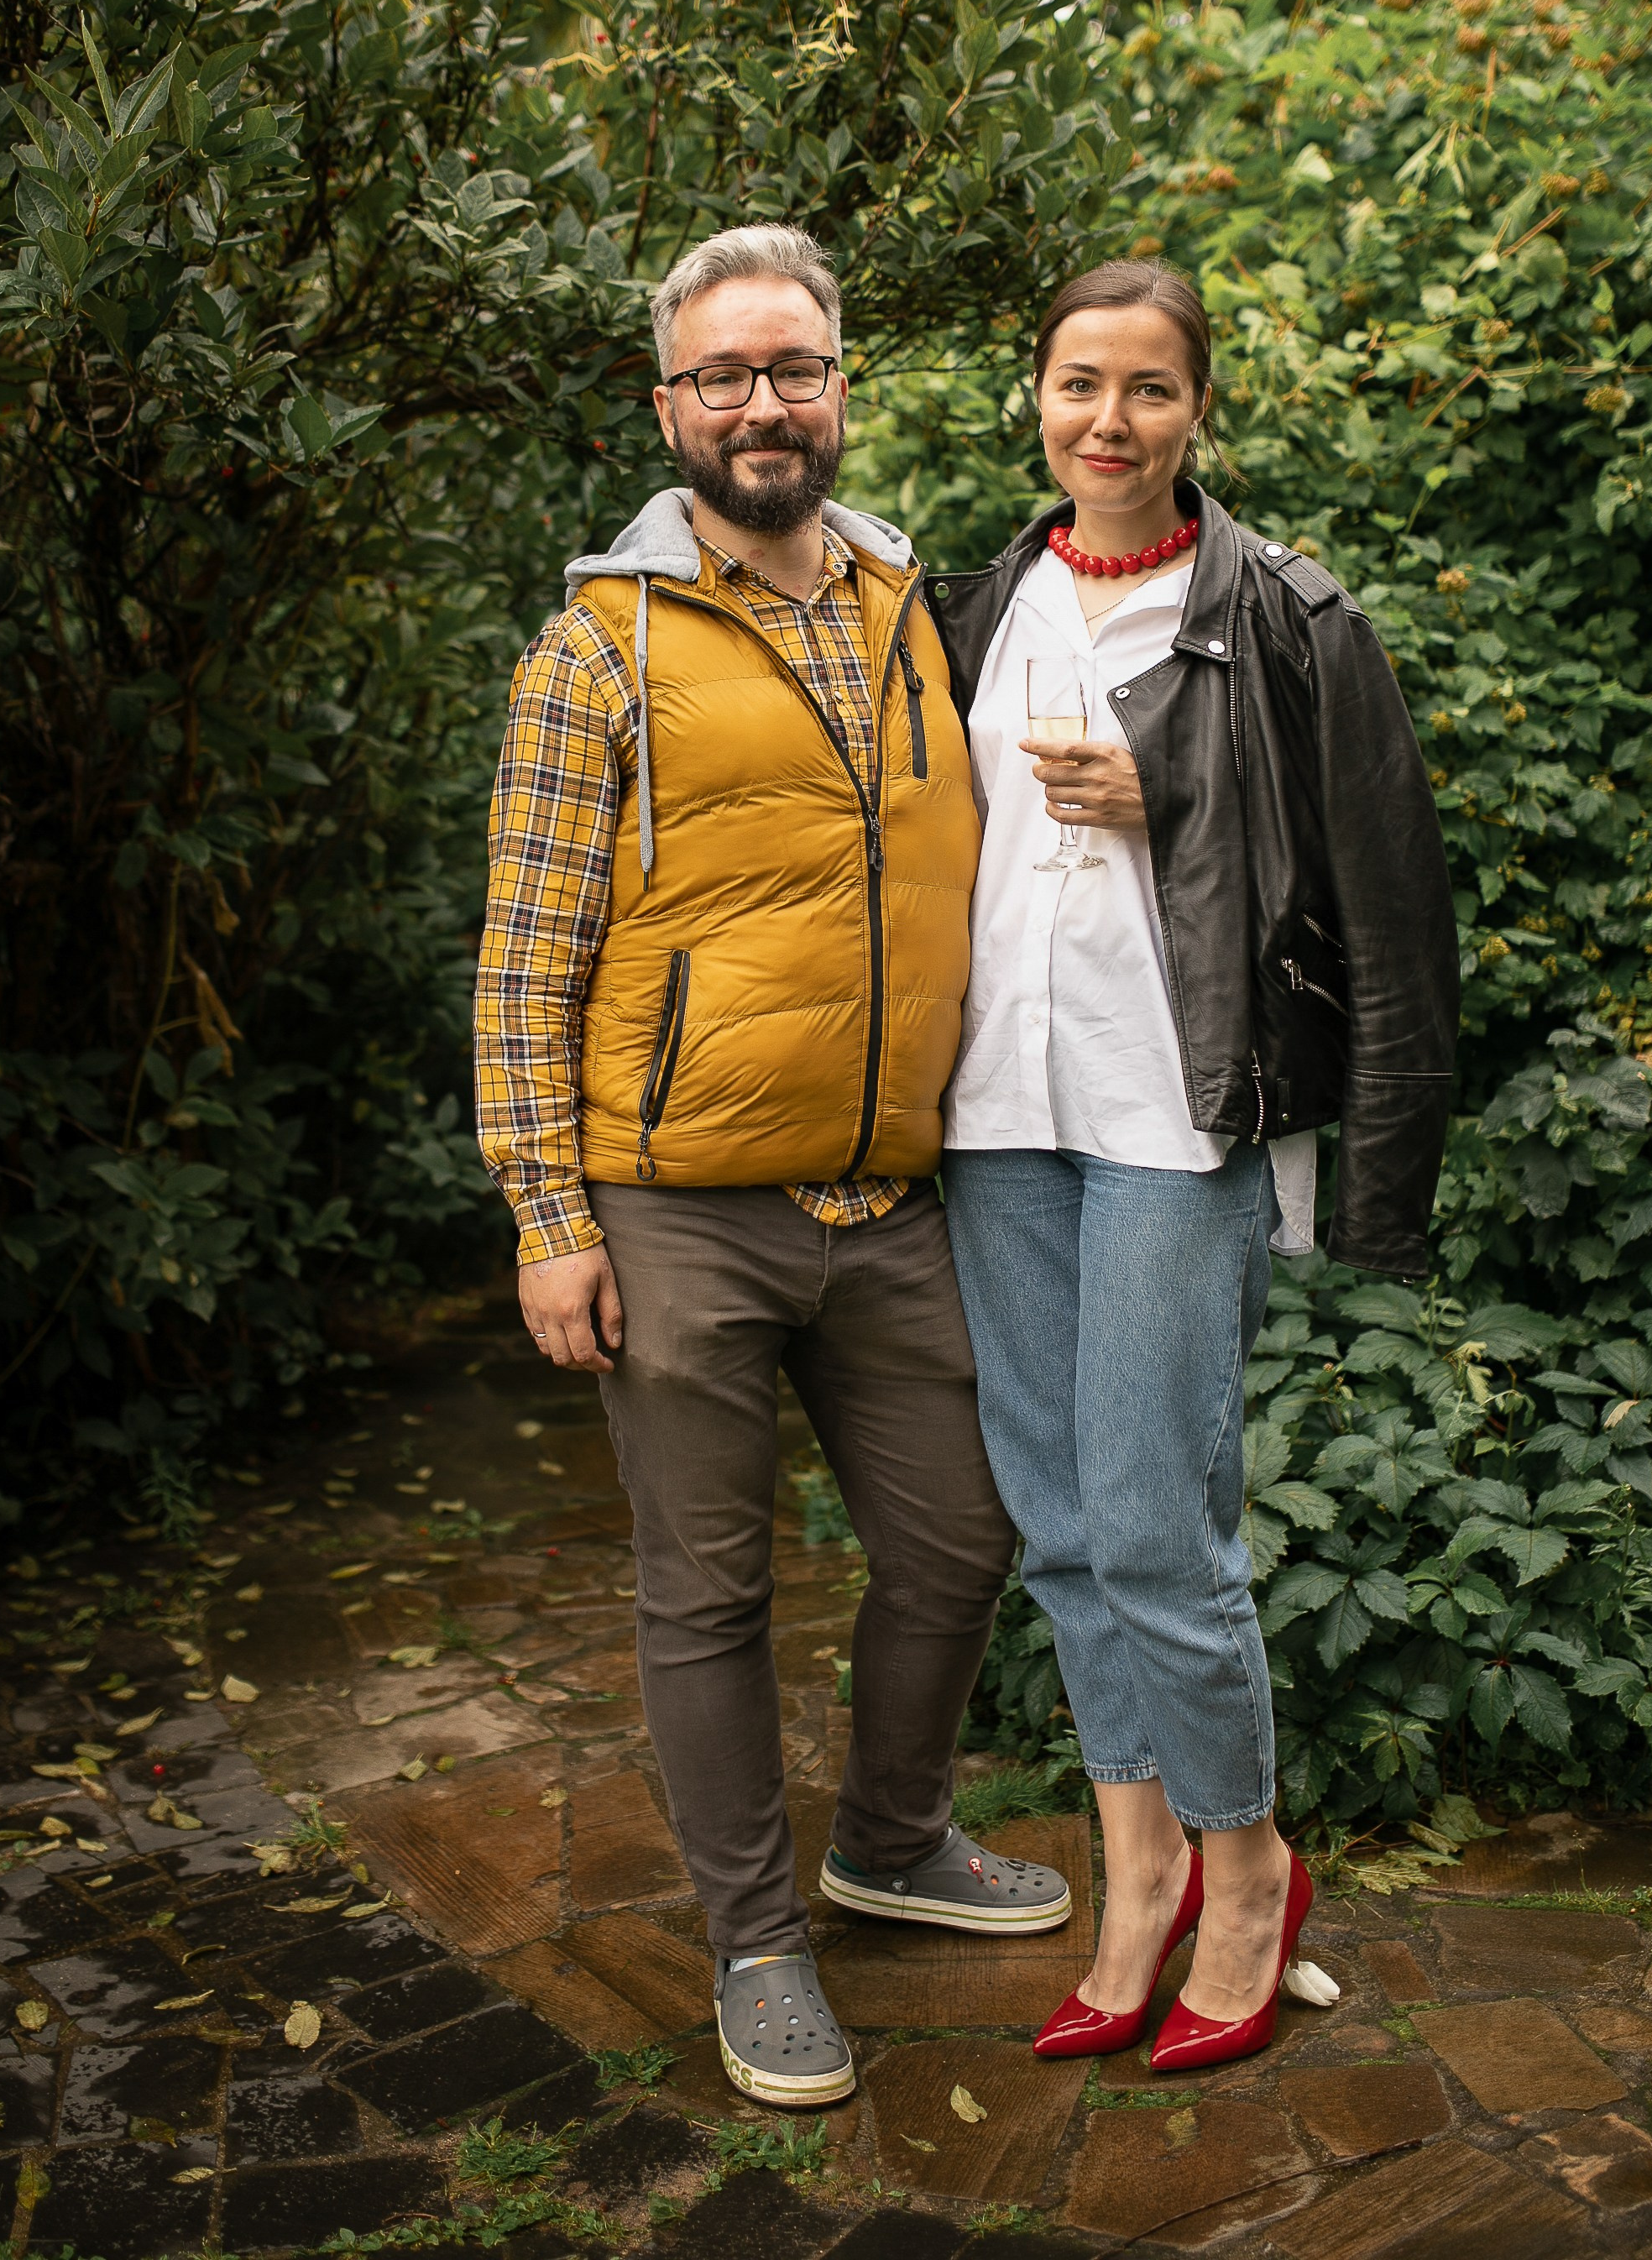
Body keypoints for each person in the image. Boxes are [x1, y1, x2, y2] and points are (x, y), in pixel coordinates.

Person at [473, 223, 1071, 2110]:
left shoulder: (917, 605)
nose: (761, 403)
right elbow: (524, 955)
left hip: (892, 1197)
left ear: (839, 386)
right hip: (676, 1209)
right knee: (704, 1590)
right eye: (721, 375)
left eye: (792, 368)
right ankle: (752, 1940)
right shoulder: (600, 651)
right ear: (670, 410)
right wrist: (546, 1218)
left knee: (963, 1535)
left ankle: (890, 1837)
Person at [925, 258, 1458, 2072]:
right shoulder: (976, 601)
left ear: (1197, 413)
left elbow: (1389, 899)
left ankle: (1248, 1876)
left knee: (1160, 1527)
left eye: (1148, 390)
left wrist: (1179, 800)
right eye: (1079, 383)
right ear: (1035, 396)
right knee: (1063, 1528)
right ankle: (1131, 1873)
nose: (1108, 421)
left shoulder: (1292, 615)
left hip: (1176, 1117)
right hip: (997, 1115)